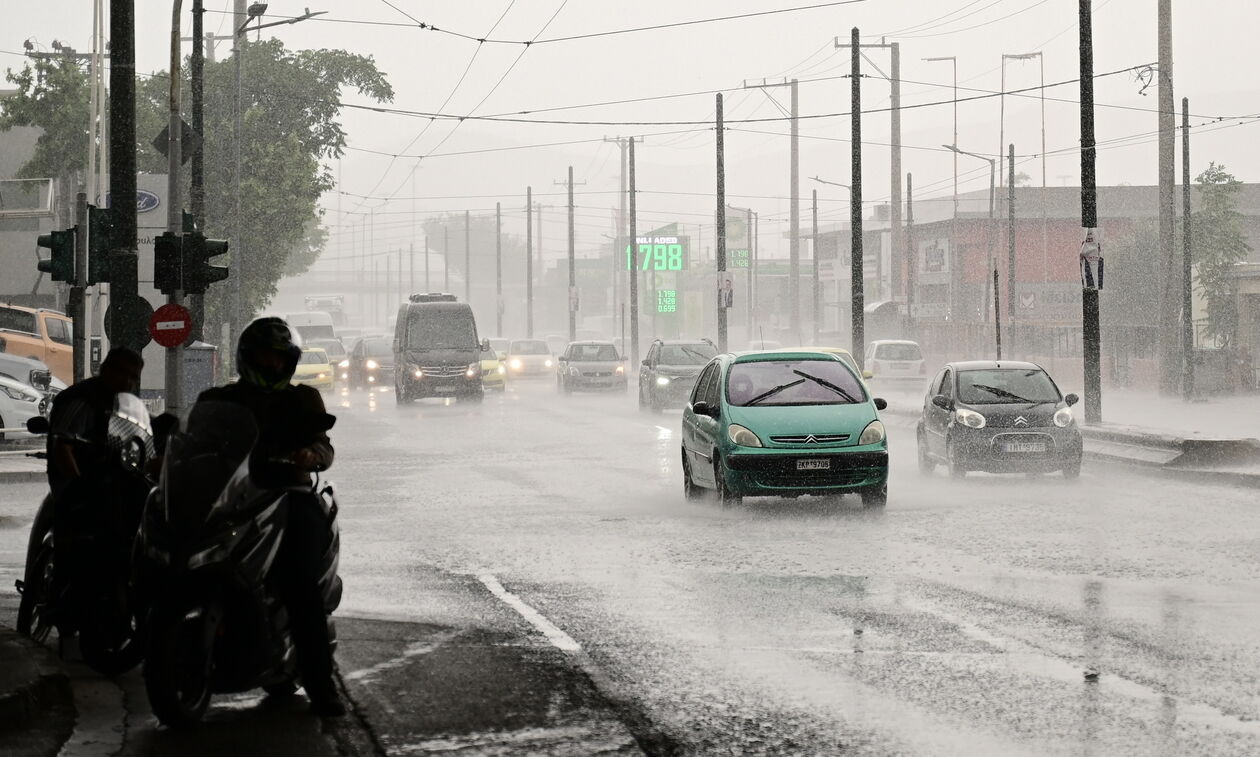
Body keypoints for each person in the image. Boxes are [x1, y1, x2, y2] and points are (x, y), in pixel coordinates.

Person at [196, 317, 344, 717]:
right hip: (230, 499)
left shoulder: (303, 400)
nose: (273, 366)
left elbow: (323, 447)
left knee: (300, 586)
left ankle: (321, 685)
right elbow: (194, 441)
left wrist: (311, 456)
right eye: (265, 357)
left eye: (280, 359)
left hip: (287, 496)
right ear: (247, 357)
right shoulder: (219, 399)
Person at [40, 347, 144, 634]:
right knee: (74, 529)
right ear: (106, 369)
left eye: (132, 376)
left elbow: (140, 441)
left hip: (115, 482)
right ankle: (58, 595)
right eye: (121, 372)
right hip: (78, 480)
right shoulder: (80, 399)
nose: (127, 380)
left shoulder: (128, 404)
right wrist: (78, 484)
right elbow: (63, 447)